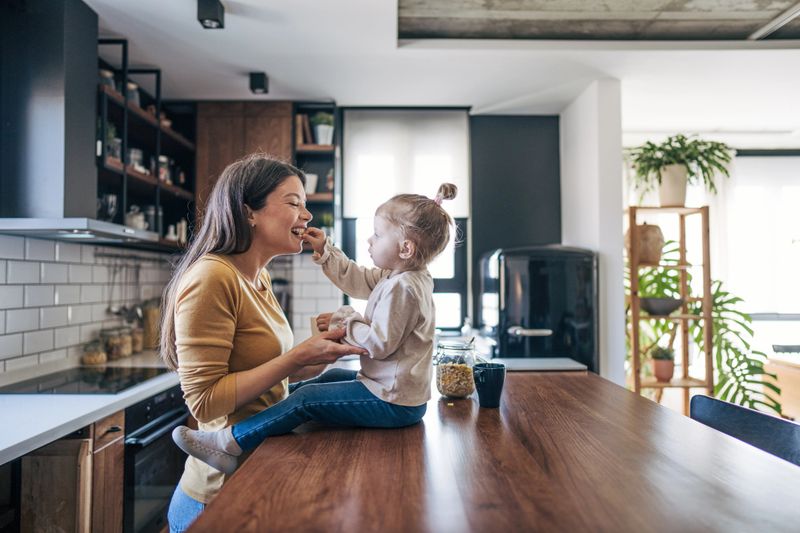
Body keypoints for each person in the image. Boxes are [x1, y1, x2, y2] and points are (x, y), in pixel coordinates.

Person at [171, 182, 459, 476]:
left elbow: (379, 343)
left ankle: (228, 444)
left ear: (406, 248)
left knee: (307, 400)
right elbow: (356, 280)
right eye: (294, 203)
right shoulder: (399, 276)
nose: (370, 240)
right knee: (331, 377)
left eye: (378, 234)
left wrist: (345, 320)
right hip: (392, 392)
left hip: (393, 401)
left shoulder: (404, 287)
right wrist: (326, 250)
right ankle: (276, 414)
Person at [161, 154, 367, 533]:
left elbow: (272, 375)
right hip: (217, 495)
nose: (307, 216)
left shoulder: (258, 278)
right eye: (293, 203)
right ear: (249, 212)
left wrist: (319, 351)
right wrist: (298, 356)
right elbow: (204, 400)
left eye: (306, 206)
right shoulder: (211, 277)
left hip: (257, 472)